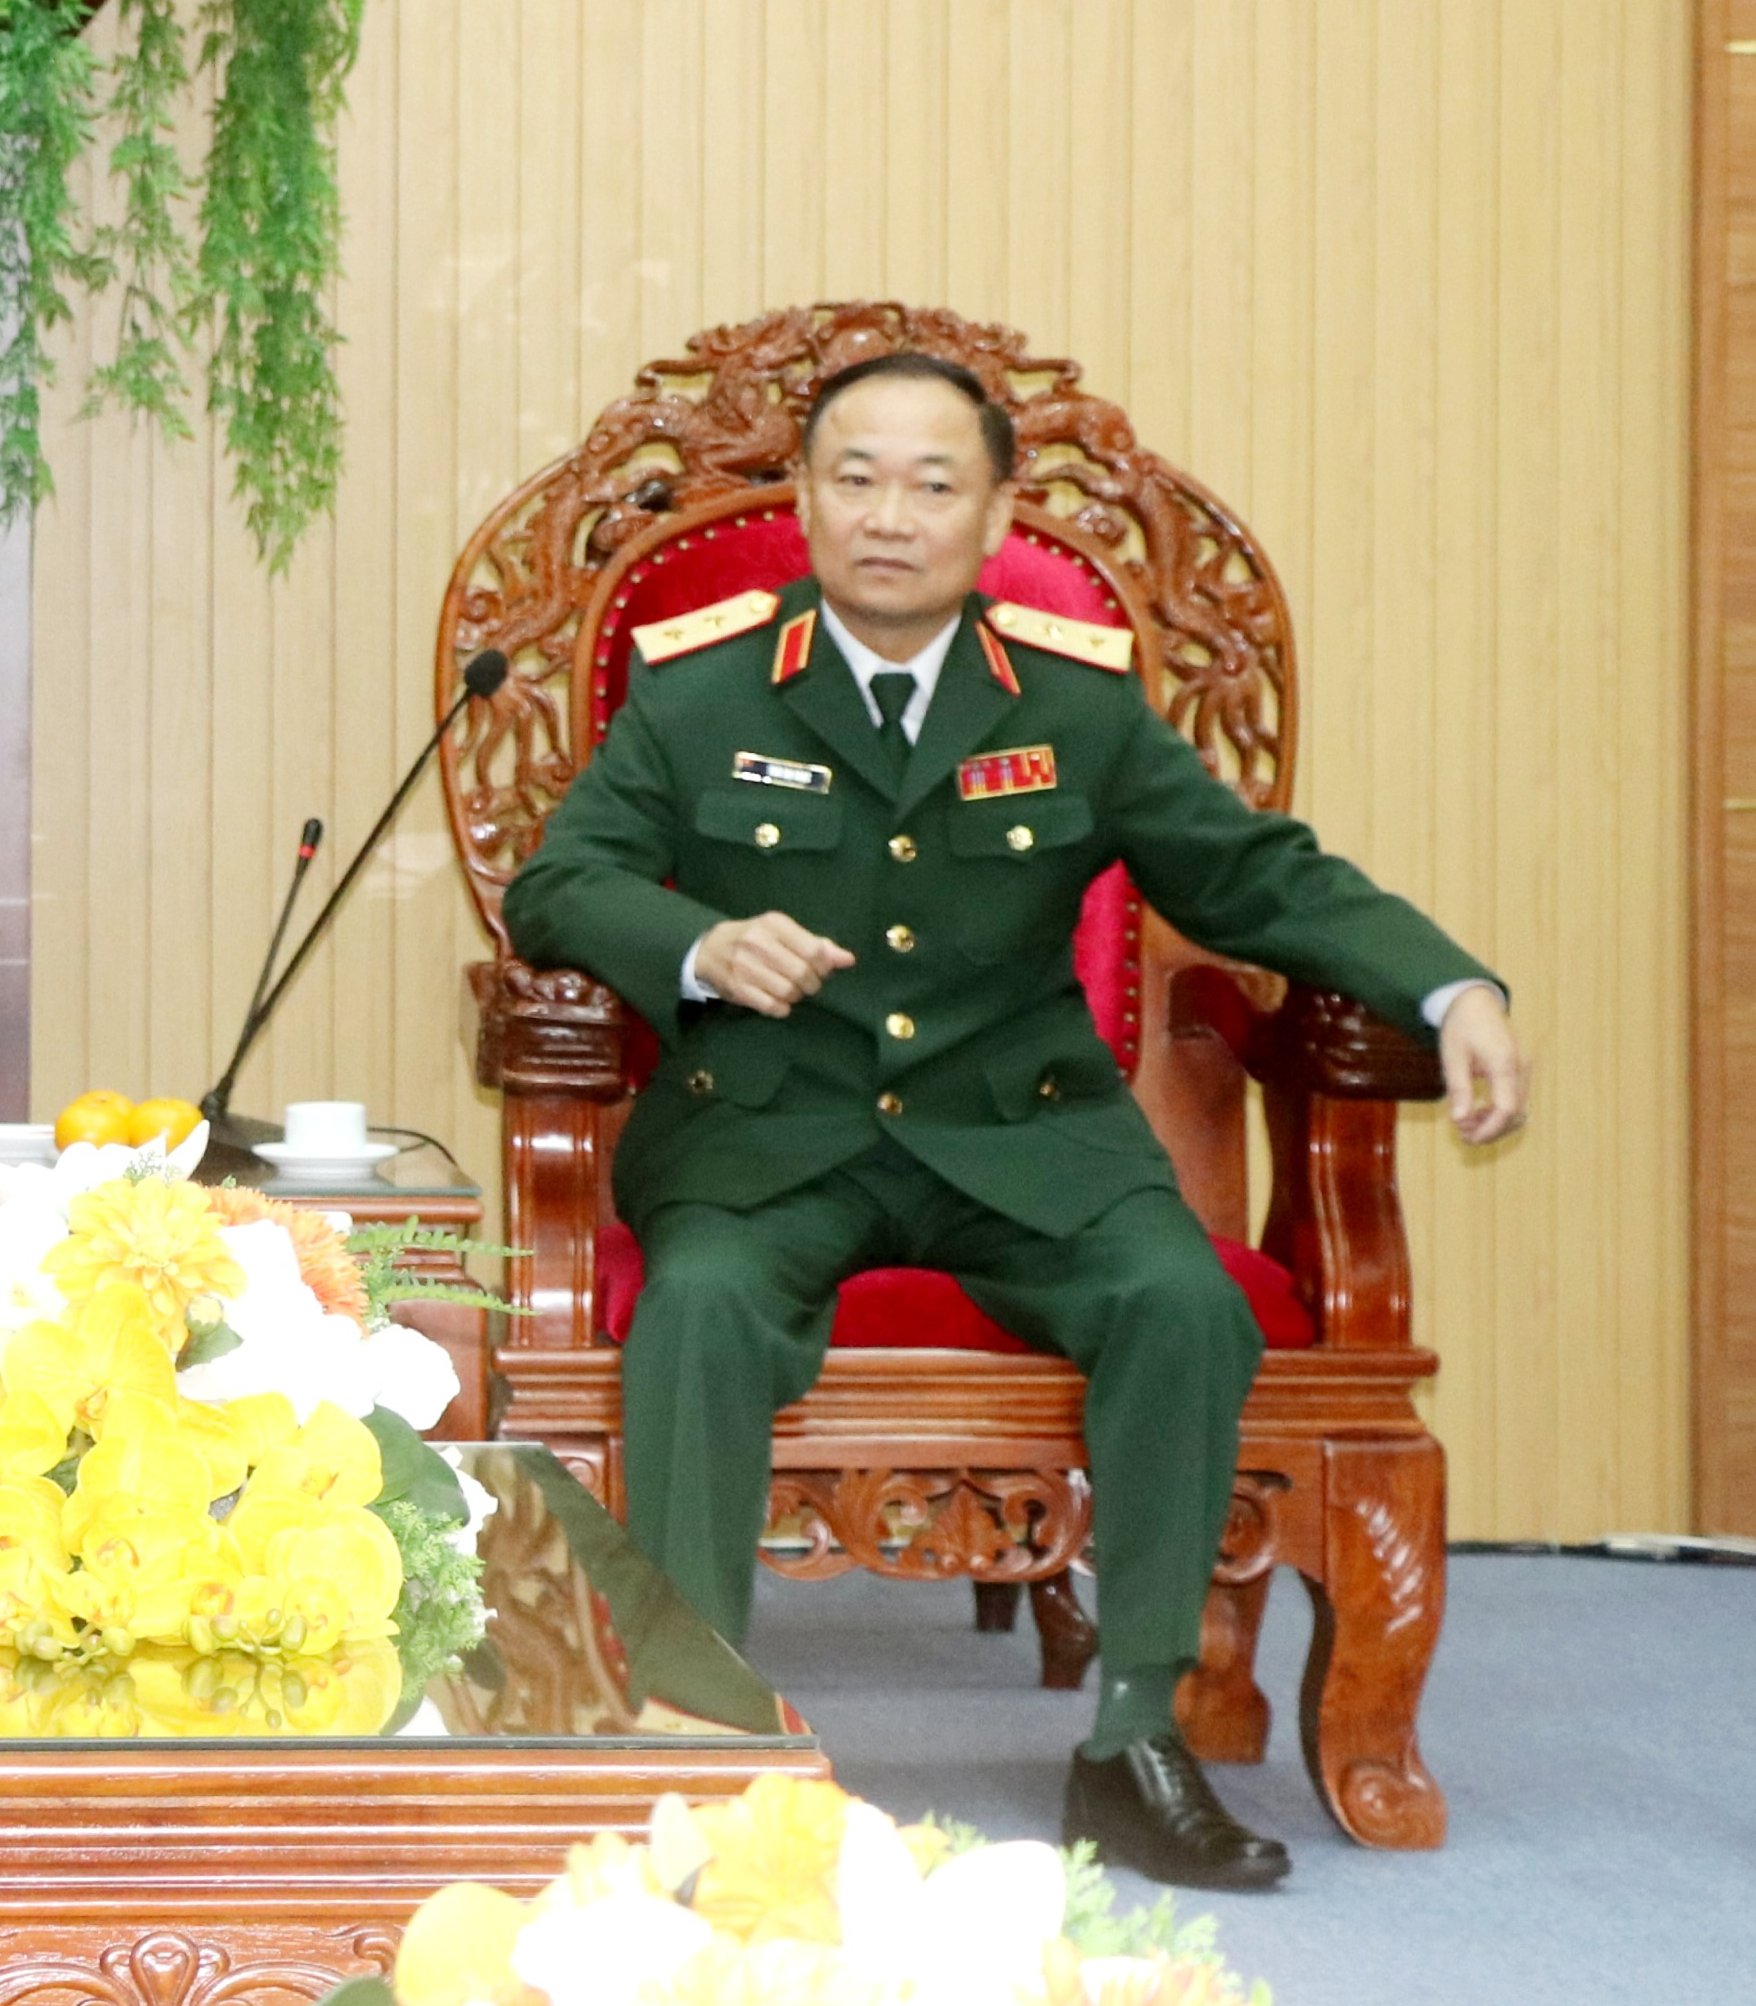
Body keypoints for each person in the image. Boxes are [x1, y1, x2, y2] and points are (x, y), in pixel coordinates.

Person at [502, 350, 1527, 1890]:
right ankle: (694, 1746)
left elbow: (1257, 878)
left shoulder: (1075, 707)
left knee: (1178, 1301)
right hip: (768, 1138)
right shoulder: (697, 689)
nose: (888, 516)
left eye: (931, 484)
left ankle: (1129, 1740)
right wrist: (697, 949)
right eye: (852, 478)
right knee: (699, 1308)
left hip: (1021, 1137)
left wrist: (1448, 990)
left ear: (991, 518)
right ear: (801, 501)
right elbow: (556, 881)